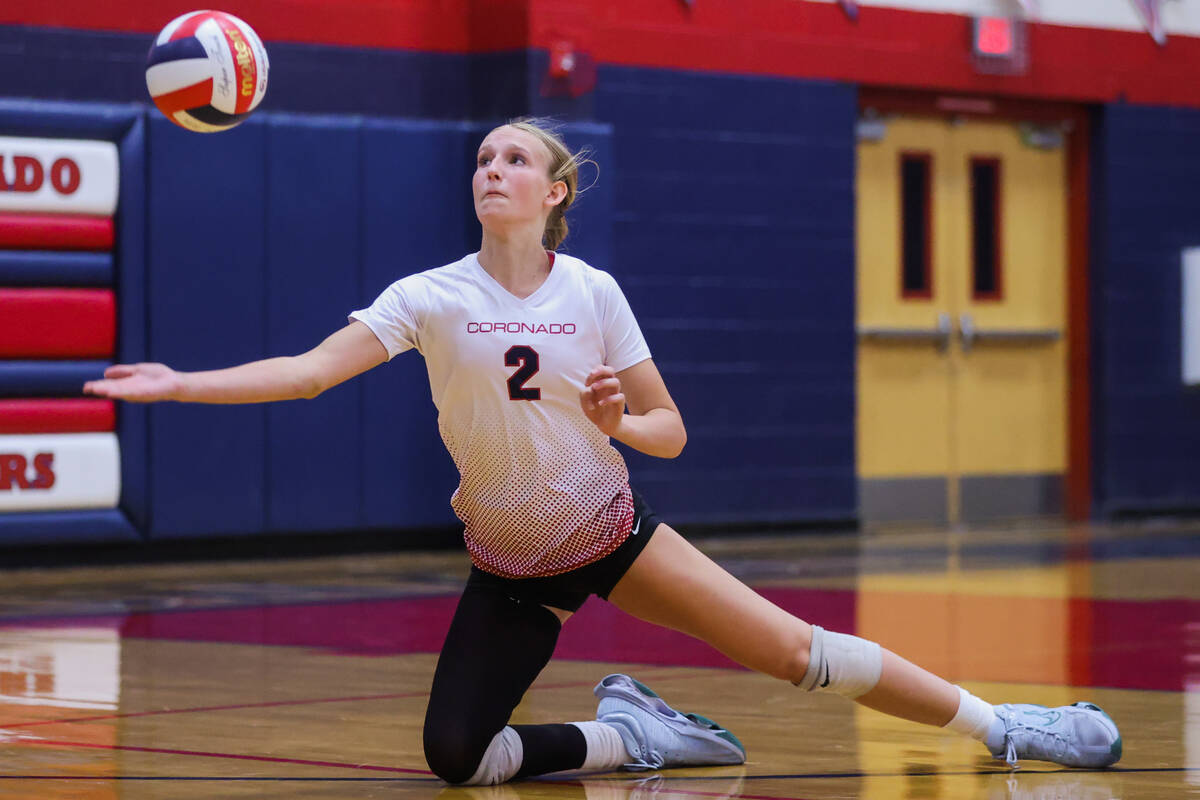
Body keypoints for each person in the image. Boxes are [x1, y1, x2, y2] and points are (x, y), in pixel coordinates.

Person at [84, 118, 1122, 784]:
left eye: (515, 159)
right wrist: (182, 383)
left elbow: (671, 432)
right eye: (483, 159)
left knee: (798, 653)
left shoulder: (595, 295)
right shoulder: (430, 296)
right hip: (507, 567)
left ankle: (1007, 723)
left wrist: (619, 417)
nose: (493, 169)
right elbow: (311, 370)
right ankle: (634, 734)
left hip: (615, 535)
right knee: (457, 757)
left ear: (554, 193)